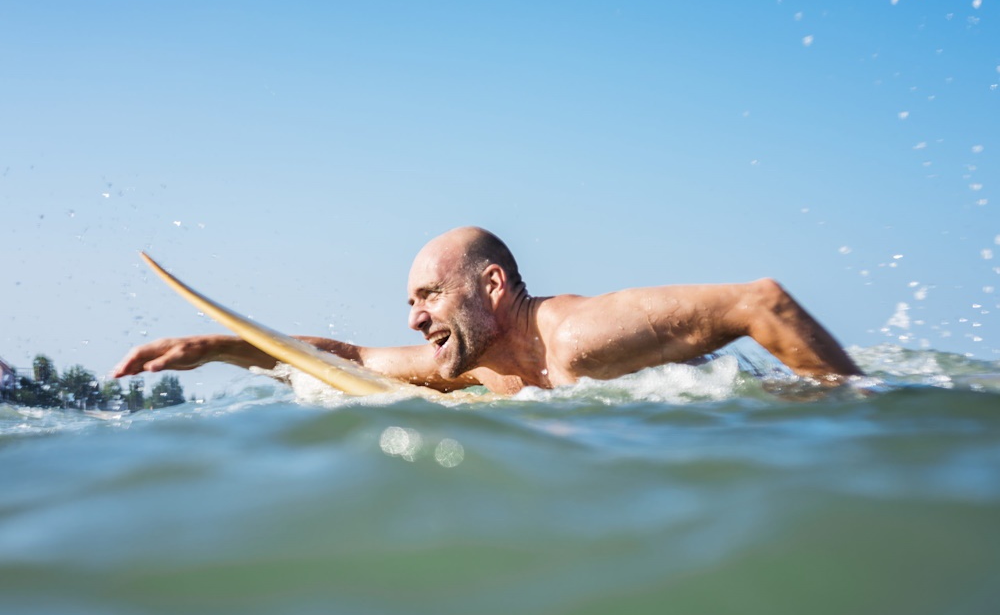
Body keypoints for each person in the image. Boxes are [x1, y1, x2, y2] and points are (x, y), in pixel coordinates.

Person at [113, 226, 863, 394]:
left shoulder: (581, 337)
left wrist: (850, 409)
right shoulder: (477, 369)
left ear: (494, 288)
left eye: (429, 297)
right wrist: (215, 346)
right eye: (409, 304)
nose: (414, 321)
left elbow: (761, 301)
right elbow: (346, 360)